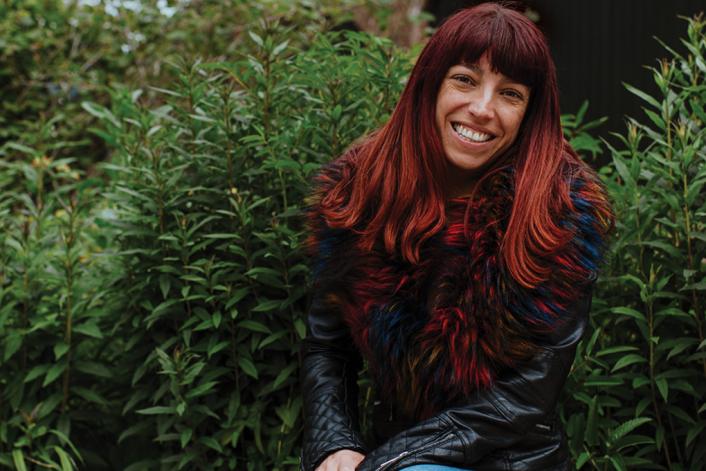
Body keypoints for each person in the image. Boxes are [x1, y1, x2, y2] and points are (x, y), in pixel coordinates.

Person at [300, 3, 613, 470]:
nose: (482, 109)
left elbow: (524, 398)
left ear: (528, 113)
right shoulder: (361, 193)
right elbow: (328, 346)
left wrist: (389, 462)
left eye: (510, 93)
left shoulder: (559, 216)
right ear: (430, 84)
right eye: (465, 79)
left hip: (510, 459)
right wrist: (336, 445)